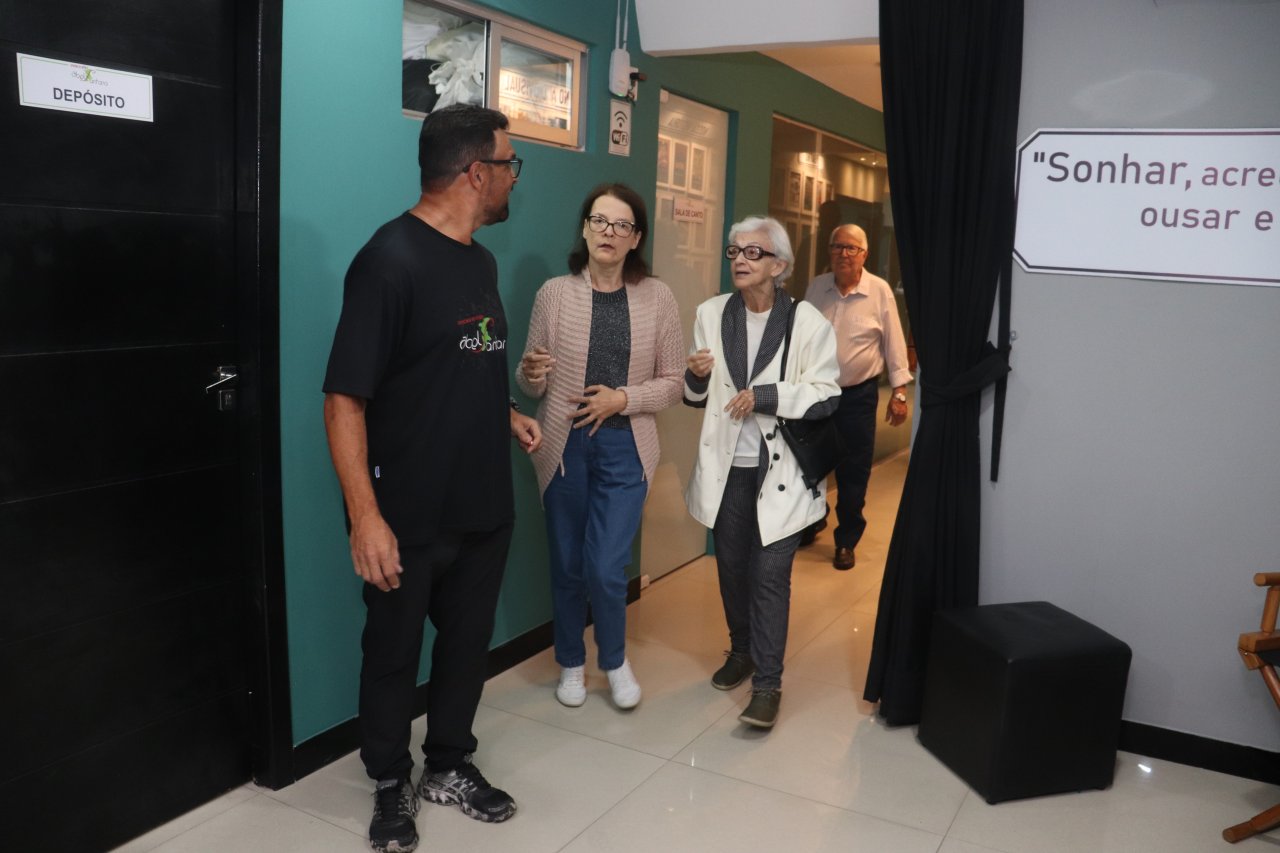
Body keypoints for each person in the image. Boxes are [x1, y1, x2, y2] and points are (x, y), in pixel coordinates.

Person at [322, 104, 541, 853]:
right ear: (476, 173)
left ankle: (448, 762)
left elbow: (452, 362)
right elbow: (344, 399)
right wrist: (365, 517)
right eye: (509, 164)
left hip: (482, 501)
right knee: (392, 652)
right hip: (407, 510)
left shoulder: (479, 261)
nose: (514, 178)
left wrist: (505, 412)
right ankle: (391, 779)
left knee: (465, 646)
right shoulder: (389, 260)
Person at [516, 183, 684, 711]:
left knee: (607, 567)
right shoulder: (553, 294)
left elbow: (674, 382)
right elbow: (531, 382)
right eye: (599, 221)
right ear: (585, 229)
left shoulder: (658, 297)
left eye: (622, 225)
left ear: (636, 238)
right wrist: (531, 372)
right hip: (563, 447)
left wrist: (623, 399)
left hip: (626, 447)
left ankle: (613, 660)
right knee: (567, 564)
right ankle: (571, 662)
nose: (609, 232)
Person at [683, 215, 840, 728]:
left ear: (780, 266)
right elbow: (696, 398)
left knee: (769, 576)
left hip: (782, 472)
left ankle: (768, 685)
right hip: (728, 468)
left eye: (753, 253)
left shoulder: (806, 322)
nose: (740, 261)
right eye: (735, 252)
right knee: (731, 568)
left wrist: (767, 396)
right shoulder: (711, 314)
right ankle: (741, 650)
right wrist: (694, 376)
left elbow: (826, 395)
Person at [803, 224, 912, 571]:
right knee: (809, 464)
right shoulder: (817, 287)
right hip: (816, 393)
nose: (843, 254)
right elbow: (800, 337)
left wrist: (899, 393)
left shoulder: (879, 291)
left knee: (853, 472)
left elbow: (894, 342)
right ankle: (813, 518)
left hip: (858, 397)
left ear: (864, 254)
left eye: (851, 248)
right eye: (837, 247)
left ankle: (846, 540)